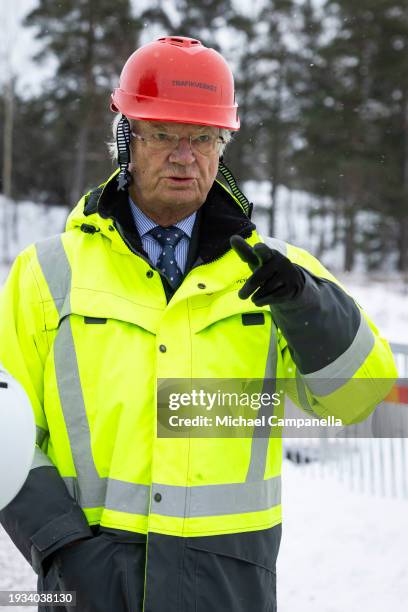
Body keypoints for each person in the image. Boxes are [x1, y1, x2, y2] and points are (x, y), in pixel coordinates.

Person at [0, 36, 397, 612]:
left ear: (222, 145)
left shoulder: (283, 274)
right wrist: (59, 544)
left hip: (229, 585)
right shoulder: (47, 273)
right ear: (126, 140)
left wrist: (310, 310)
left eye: (204, 138)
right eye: (162, 134)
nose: (185, 156)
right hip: (89, 579)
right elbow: (5, 430)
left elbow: (361, 399)